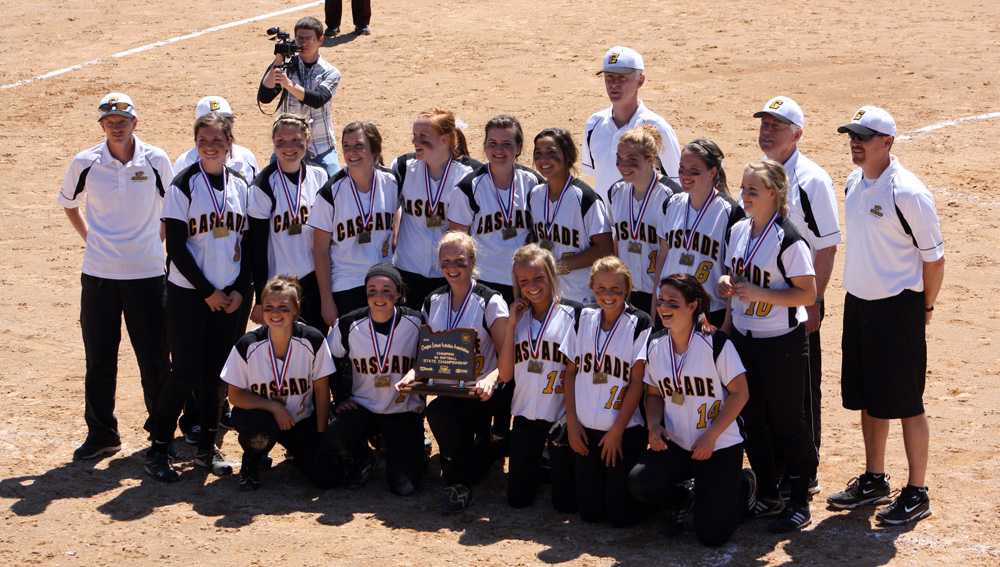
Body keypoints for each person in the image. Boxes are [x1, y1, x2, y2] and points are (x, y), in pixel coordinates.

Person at [826, 106, 944, 526]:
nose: (855, 142)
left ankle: (917, 490)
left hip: (898, 308)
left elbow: (934, 259)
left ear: (887, 142)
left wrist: (923, 308)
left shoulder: (908, 193)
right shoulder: (853, 182)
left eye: (864, 135)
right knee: (868, 398)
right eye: (852, 134)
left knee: (908, 402)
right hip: (859, 304)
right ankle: (875, 478)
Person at [59, 92, 174, 460]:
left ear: (135, 123)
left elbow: (174, 206)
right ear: (102, 125)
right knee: (99, 356)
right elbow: (68, 203)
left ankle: (161, 433)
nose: (117, 126)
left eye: (123, 121)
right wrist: (90, 239)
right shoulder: (86, 162)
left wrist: (155, 242)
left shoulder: (156, 159)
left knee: (155, 358)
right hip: (99, 275)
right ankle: (102, 433)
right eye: (110, 121)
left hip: (148, 274)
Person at [145, 112, 253, 481]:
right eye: (203, 140)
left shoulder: (241, 184)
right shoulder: (183, 185)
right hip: (189, 295)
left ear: (229, 144)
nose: (210, 146)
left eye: (217, 140)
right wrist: (208, 292)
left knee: (217, 376)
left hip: (230, 298)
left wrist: (239, 290)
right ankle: (158, 447)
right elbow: (175, 246)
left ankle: (208, 448)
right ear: (195, 143)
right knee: (185, 372)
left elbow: (249, 244)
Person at [718, 160, 817, 532]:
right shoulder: (741, 229)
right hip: (746, 337)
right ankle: (768, 492)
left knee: (788, 420)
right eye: (743, 189)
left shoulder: (788, 240)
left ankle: (800, 497)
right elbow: (733, 271)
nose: (744, 196)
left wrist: (761, 293)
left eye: (753, 191)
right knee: (752, 418)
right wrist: (729, 283)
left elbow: (808, 293)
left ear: (774, 194)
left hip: (781, 343)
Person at [754, 95, 840, 496]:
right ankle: (776, 466)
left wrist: (814, 302)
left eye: (777, 125)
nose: (767, 131)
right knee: (770, 390)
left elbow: (826, 246)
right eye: (764, 124)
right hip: (762, 304)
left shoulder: (812, 179)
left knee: (802, 389)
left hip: (797, 302)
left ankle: (806, 468)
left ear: (798, 134)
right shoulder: (761, 175)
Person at [628, 274, 751, 546]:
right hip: (679, 443)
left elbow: (741, 393)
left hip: (718, 444)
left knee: (712, 536)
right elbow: (653, 393)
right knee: (640, 482)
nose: (664, 308)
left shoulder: (715, 342)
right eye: (661, 301)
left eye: (673, 303)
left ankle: (742, 486)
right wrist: (654, 425)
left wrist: (711, 436)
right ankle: (686, 497)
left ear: (693, 306)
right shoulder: (655, 344)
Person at [396, 232, 509, 512]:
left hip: (484, 392)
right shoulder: (432, 300)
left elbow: (509, 355)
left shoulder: (490, 301)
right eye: (446, 261)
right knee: (439, 414)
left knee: (478, 454)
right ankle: (458, 480)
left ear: (472, 261)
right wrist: (414, 375)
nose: (452, 268)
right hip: (449, 390)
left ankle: (483, 452)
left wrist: (490, 379)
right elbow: (426, 353)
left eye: (459, 260)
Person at [221, 276, 340, 490]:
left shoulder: (313, 340)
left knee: (328, 477)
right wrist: (274, 407)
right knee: (258, 428)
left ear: (296, 309)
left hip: (300, 420)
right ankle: (253, 459)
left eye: (283, 307)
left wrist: (321, 435)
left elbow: (322, 391)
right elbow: (235, 396)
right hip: (263, 418)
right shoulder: (248, 345)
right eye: (269, 307)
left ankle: (298, 451)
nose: (275, 313)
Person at [560, 256, 650, 527]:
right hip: (586, 430)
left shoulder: (640, 322)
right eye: (601, 288)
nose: (608, 295)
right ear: (592, 287)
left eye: (615, 289)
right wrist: (572, 423)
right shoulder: (583, 318)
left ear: (627, 289)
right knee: (589, 513)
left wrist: (617, 431)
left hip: (623, 431)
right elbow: (570, 373)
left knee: (619, 516)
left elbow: (637, 383)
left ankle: (677, 495)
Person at [327, 264, 425, 495]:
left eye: (386, 290)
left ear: (399, 293)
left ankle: (392, 449)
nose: (378, 297)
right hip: (363, 407)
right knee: (333, 435)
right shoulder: (349, 323)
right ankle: (363, 457)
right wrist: (340, 396)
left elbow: (431, 360)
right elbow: (329, 360)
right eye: (372, 290)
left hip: (402, 410)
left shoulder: (417, 322)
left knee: (405, 487)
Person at [497, 244, 580, 511]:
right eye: (524, 281)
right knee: (517, 500)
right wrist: (510, 324)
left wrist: (572, 417)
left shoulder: (574, 314)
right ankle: (543, 467)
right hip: (525, 415)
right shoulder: (517, 318)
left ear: (552, 276)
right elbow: (506, 374)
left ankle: (553, 466)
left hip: (560, 416)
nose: (531, 286)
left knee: (564, 504)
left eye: (538, 278)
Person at [311, 121, 398, 329]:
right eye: (346, 147)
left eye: (359, 146)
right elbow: (320, 250)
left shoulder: (392, 182)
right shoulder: (330, 192)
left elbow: (401, 212)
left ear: (374, 150)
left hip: (384, 282)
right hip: (347, 284)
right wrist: (326, 300)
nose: (352, 152)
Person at [248, 114, 329, 332]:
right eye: (281, 142)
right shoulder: (263, 185)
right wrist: (259, 299)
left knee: (316, 344)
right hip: (280, 285)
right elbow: (257, 246)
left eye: (296, 141)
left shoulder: (319, 176)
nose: (289, 147)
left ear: (308, 141)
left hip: (314, 279)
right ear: (273, 143)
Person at [448, 115, 541, 303]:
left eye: (507, 144)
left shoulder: (533, 183)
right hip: (485, 282)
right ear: (484, 147)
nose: (499, 150)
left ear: (519, 148)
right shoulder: (468, 188)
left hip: (527, 280)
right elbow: (458, 242)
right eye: (492, 143)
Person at [392, 109, 477, 310]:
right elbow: (391, 206)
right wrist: (395, 231)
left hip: (447, 272)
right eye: (414, 136)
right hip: (407, 268)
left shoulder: (469, 175)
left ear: (445, 140)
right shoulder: (403, 166)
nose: (415, 142)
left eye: (423, 137)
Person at [654, 139, 743, 325]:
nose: (685, 176)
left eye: (694, 171)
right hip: (670, 307)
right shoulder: (672, 204)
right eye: (681, 169)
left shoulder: (730, 212)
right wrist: (654, 306)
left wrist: (727, 325)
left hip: (710, 312)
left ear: (713, 172)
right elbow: (662, 258)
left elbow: (732, 272)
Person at [581, 46, 681, 204]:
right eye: (609, 78)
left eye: (622, 78)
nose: (614, 85)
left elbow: (677, 183)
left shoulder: (657, 127)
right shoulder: (594, 124)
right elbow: (597, 176)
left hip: (647, 226)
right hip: (606, 226)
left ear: (640, 80)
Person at [527, 128, 613, 304]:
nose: (544, 160)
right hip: (549, 294)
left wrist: (562, 266)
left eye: (551, 153)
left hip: (582, 296)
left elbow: (605, 248)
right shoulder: (535, 194)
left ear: (567, 155)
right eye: (538, 154)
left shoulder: (585, 198)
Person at [258, 16, 342, 177]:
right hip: (287, 145)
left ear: (320, 40)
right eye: (299, 38)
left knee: (334, 186)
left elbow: (317, 99)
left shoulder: (330, 72)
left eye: (308, 38)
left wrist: (289, 85)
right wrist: (277, 60)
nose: (303, 43)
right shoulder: (285, 65)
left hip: (320, 145)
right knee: (269, 182)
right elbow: (265, 96)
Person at [606, 125, 674, 316]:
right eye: (619, 158)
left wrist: (656, 307)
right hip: (628, 291)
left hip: (661, 294)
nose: (623, 165)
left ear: (650, 159)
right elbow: (617, 242)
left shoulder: (670, 196)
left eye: (632, 159)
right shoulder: (616, 192)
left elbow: (669, 253)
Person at [175, 96, 259, 181]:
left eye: (226, 122)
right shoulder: (185, 162)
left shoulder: (246, 158)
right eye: (211, 125)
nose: (220, 128)